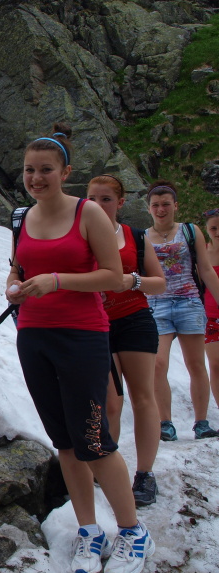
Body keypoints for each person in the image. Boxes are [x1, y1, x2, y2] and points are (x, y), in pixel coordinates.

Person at [6, 124, 154, 573]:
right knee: (65, 442)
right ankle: (88, 530)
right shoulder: (21, 218)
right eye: (29, 170)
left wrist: (57, 281)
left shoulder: (87, 213)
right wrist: (13, 287)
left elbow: (113, 276)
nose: (36, 178)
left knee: (93, 440)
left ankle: (132, 530)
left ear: (65, 172)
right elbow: (16, 270)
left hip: (82, 336)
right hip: (34, 336)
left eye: (45, 170)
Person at [87, 175, 166, 507]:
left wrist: (131, 281)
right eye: (92, 199)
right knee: (110, 402)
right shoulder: (81, 236)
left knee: (143, 397)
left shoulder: (135, 236)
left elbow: (159, 283)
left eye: (106, 199)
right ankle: (109, 468)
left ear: (120, 203)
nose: (98, 205)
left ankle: (145, 474)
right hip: (97, 325)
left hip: (135, 321)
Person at [145, 181, 219, 441]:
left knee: (196, 363)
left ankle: (201, 423)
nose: (161, 209)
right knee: (158, 363)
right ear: (149, 208)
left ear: (175, 206)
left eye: (166, 204)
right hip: (156, 304)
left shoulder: (190, 231)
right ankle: (165, 423)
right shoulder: (142, 236)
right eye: (156, 205)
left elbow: (205, 269)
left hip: (189, 302)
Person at [201, 209, 219, 430]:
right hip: (210, 316)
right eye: (213, 228)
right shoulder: (203, 252)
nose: (217, 232)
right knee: (215, 365)